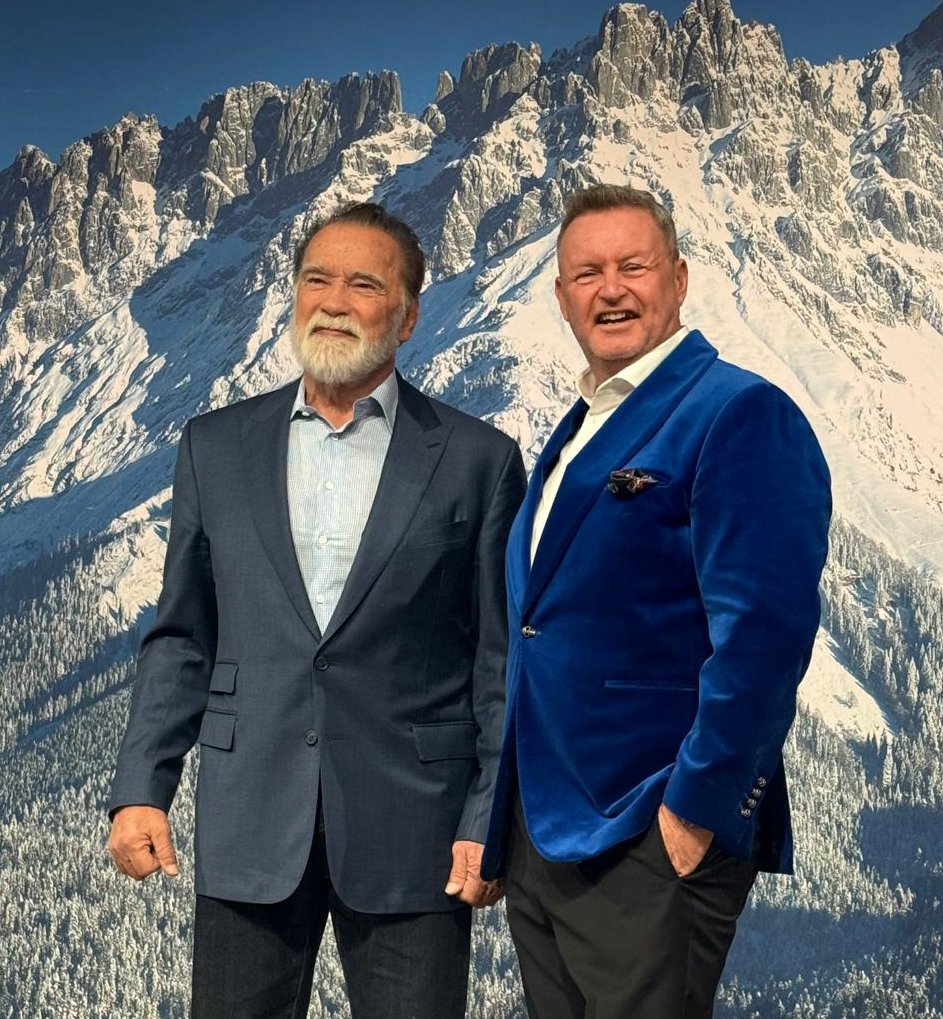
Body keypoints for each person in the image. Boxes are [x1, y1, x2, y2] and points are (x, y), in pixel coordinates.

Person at [107, 202, 527, 1019]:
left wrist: (489, 815)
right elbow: (182, 637)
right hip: (249, 818)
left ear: (407, 316)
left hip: (417, 829)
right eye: (315, 279)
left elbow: (498, 660)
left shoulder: (478, 459)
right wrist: (140, 788)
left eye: (363, 284)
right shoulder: (214, 446)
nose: (333, 301)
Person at [481, 184, 832, 1019]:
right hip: (545, 836)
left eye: (632, 267)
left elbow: (764, 636)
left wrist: (693, 811)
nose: (610, 289)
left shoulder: (738, 412)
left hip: (649, 831)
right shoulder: (579, 425)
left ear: (677, 278)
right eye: (586, 273)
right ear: (560, 296)